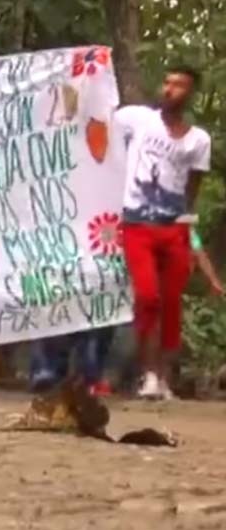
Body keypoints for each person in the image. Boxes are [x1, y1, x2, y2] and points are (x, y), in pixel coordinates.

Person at [116, 65, 210, 400]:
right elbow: (97, 117)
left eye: (179, 85)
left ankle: (165, 377)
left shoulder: (199, 140)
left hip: (173, 229)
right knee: (147, 297)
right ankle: (148, 374)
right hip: (137, 224)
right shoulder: (139, 119)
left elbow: (191, 193)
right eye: (167, 82)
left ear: (191, 93)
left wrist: (190, 239)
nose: (169, 89)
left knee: (171, 303)